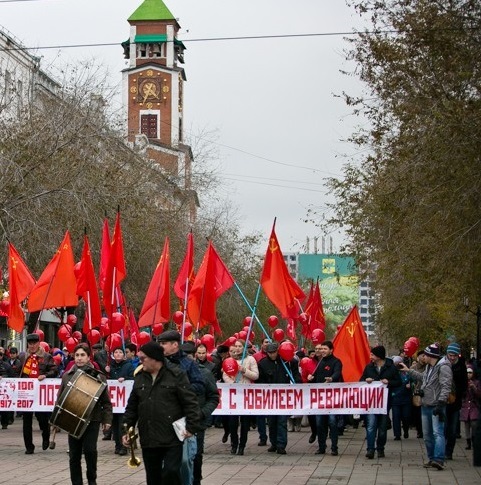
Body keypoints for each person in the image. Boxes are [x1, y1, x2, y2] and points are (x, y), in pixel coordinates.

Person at [122, 341, 202, 485]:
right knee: (153, 477)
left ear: (155, 358)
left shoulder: (176, 375)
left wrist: (191, 426)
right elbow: (132, 407)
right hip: (149, 436)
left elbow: (190, 402)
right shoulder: (140, 376)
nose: (140, 362)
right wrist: (127, 429)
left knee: (171, 472)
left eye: (143, 358)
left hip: (171, 436)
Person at [58, 343, 112, 485]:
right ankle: (76, 482)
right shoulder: (67, 376)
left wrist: (107, 421)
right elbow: (60, 400)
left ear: (89, 357)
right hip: (72, 420)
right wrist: (57, 420)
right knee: (74, 455)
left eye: (83, 355)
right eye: (77, 355)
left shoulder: (98, 377)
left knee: (90, 451)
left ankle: (92, 479)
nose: (79, 358)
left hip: (92, 419)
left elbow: (106, 402)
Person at [402, 342, 453, 470]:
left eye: (425, 355)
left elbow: (446, 386)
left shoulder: (443, 367)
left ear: (431, 355)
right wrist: (409, 371)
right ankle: (431, 458)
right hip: (426, 404)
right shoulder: (429, 367)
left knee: (437, 433)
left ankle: (439, 459)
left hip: (436, 405)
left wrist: (441, 403)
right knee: (427, 435)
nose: (423, 357)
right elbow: (423, 378)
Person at [181, 341, 220, 485]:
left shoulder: (204, 373)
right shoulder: (172, 373)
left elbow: (214, 397)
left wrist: (202, 413)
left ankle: (196, 480)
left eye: (188, 357)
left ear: (194, 356)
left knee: (195, 455)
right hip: (176, 421)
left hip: (197, 422)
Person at [258, 341, 301, 455]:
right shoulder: (263, 363)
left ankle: (281, 445)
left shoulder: (287, 362)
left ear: (278, 351)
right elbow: (260, 380)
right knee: (271, 422)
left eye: (274, 352)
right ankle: (274, 443)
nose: (272, 355)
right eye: (269, 353)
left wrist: (298, 384)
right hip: (270, 398)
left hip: (283, 397)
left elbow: (296, 376)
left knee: (282, 421)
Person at [360, 345, 402, 459]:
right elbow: (361, 381)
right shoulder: (369, 367)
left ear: (379, 356)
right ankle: (370, 449)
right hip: (371, 402)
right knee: (371, 426)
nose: (370, 356)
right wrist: (366, 380)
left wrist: (388, 382)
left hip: (385, 403)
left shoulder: (391, 367)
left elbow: (398, 382)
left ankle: (380, 448)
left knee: (382, 428)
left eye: (372, 354)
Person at [19, 333, 58, 454]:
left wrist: (45, 375)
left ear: (38, 343)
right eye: (30, 344)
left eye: (34, 343)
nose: (32, 346)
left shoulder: (46, 356)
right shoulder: (24, 356)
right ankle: (29, 446)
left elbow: (55, 370)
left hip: (41, 393)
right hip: (26, 392)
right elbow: (17, 372)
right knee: (26, 421)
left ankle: (46, 436)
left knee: (42, 419)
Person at [222, 339, 259, 455]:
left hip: (246, 395)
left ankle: (242, 445)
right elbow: (225, 375)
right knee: (233, 422)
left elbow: (255, 376)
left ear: (244, 348)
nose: (237, 348)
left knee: (245, 422)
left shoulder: (250, 359)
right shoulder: (230, 360)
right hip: (234, 394)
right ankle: (234, 443)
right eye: (236, 346)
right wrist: (233, 384)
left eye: (240, 346)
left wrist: (244, 371)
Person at [307, 340, 343, 456]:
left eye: (325, 349)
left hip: (332, 397)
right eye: (321, 349)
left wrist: (331, 379)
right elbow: (316, 376)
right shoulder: (320, 362)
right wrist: (311, 377)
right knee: (319, 423)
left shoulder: (336, 361)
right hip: (320, 398)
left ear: (331, 350)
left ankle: (334, 447)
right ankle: (321, 447)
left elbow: (337, 373)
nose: (322, 351)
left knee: (332, 422)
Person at [105, 347, 134, 455]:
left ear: (123, 355)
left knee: (122, 424)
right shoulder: (110, 367)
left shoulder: (129, 366)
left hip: (124, 401)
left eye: (120, 352)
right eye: (115, 352)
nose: (118, 354)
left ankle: (124, 446)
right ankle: (117, 445)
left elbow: (133, 379)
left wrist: (125, 378)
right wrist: (106, 371)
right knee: (115, 424)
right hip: (113, 401)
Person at [444, 342, 468, 460]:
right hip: (443, 401)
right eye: (450, 355)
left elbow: (464, 384)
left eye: (454, 355)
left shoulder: (461, 366)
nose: (452, 357)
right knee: (443, 428)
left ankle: (449, 451)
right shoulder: (442, 364)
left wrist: (459, 394)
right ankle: (442, 449)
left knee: (452, 430)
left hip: (455, 401)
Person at [252, 337, 270, 446]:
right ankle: (262, 436)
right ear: (262, 344)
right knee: (260, 416)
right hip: (259, 390)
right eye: (266, 342)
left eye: (270, 342)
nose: (268, 344)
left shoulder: (278, 358)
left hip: (271, 390)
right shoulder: (255, 357)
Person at [390, 356, 412, 440]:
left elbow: (414, 381)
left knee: (406, 417)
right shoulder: (392, 372)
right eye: (395, 363)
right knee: (396, 417)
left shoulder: (406, 372)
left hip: (406, 398)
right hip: (395, 398)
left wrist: (410, 385)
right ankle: (397, 434)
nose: (397, 365)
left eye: (399, 363)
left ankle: (406, 430)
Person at [460, 365, 481, 450]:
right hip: (465, 407)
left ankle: (474, 441)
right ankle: (468, 442)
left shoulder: (477, 382)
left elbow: (479, 395)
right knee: (466, 426)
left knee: (474, 424)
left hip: (474, 407)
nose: (468, 374)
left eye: (470, 372)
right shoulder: (463, 382)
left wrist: (474, 388)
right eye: (467, 372)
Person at [410, 350, 427, 438]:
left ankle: (425, 430)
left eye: (425, 356)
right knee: (417, 413)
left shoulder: (428, 367)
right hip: (417, 392)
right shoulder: (413, 368)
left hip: (427, 393)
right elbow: (410, 378)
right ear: (418, 357)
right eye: (422, 356)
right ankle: (420, 430)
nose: (424, 357)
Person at [0, 349, 14, 429]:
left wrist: (3, 378)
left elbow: (12, 376)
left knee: (4, 407)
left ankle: (4, 423)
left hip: (4, 390)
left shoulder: (6, 365)